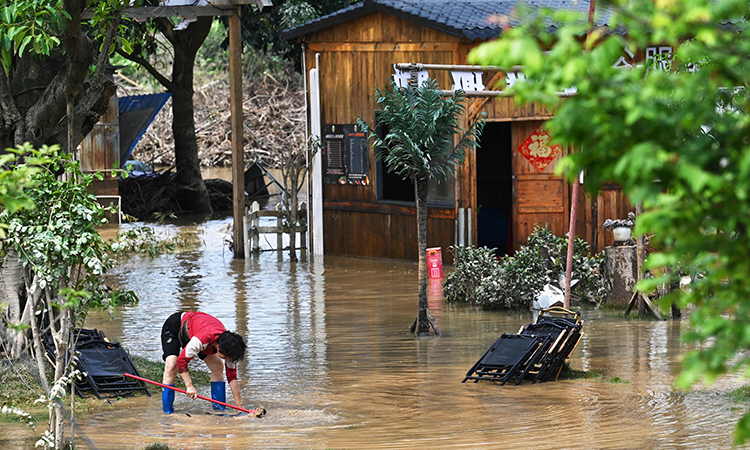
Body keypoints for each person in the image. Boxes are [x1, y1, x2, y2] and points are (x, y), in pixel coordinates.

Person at [160, 311, 247, 414]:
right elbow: (182, 361)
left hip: (198, 330)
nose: (228, 360)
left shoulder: (230, 347)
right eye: (227, 358)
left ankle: (219, 411)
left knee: (218, 367)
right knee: (171, 365)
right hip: (177, 327)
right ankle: (168, 412)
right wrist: (189, 385)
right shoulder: (202, 340)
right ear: (218, 347)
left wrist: (239, 405)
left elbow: (231, 376)